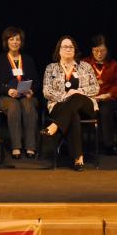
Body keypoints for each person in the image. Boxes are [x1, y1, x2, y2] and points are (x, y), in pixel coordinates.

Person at [41, 36, 100, 171]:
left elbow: (96, 88)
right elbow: (46, 91)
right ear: (59, 50)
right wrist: (65, 96)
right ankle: (78, 159)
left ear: (75, 50)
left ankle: (55, 125)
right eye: (64, 47)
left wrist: (78, 91)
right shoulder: (51, 68)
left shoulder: (85, 66)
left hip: (86, 105)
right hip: (59, 105)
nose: (68, 49)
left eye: (70, 47)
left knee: (76, 96)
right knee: (73, 116)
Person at [0, 27, 39, 160]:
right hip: (6, 97)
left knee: (28, 106)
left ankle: (30, 146)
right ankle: (16, 146)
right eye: (11, 39)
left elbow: (35, 81)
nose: (14, 42)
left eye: (17, 39)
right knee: (14, 106)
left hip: (25, 95)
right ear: (6, 42)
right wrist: (8, 90)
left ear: (21, 42)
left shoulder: (28, 59)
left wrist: (31, 91)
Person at [82, 34, 117, 156]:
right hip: (89, 98)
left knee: (105, 111)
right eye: (95, 50)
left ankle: (109, 145)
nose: (99, 53)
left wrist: (109, 94)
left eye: (102, 50)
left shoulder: (114, 64)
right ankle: (79, 144)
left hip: (107, 98)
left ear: (107, 50)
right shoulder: (85, 63)